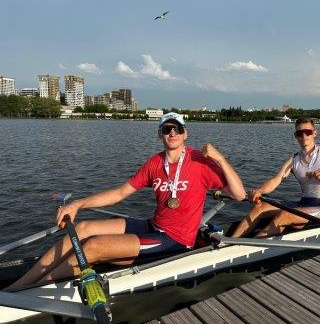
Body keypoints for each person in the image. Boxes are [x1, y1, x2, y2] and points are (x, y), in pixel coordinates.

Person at [9, 112, 245, 289]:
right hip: (154, 225)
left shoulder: (200, 161)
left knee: (94, 246)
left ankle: (33, 290)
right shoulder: (154, 163)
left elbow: (239, 195)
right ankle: (20, 284)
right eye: (167, 129)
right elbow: (120, 193)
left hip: (176, 239)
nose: (172, 133)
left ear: (186, 134)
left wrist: (220, 158)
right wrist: (78, 203)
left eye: (178, 129)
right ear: (160, 134)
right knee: (83, 228)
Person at [231, 118, 320, 238]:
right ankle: (229, 244)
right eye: (300, 133)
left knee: (284, 215)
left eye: (308, 132)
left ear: (314, 133)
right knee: (261, 206)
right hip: (304, 204)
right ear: (295, 136)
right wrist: (260, 191)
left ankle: (249, 248)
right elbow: (275, 180)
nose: (304, 136)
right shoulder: (294, 160)